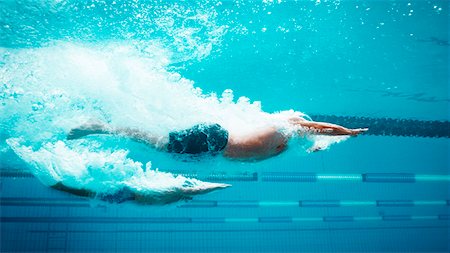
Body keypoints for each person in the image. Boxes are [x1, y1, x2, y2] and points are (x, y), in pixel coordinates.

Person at [67, 116, 368, 161]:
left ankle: (105, 126)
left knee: (160, 144)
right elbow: (318, 126)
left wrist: (323, 143)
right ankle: (101, 126)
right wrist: (348, 132)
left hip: (215, 142)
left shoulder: (285, 142)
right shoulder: (289, 125)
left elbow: (314, 139)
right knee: (158, 144)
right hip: (215, 142)